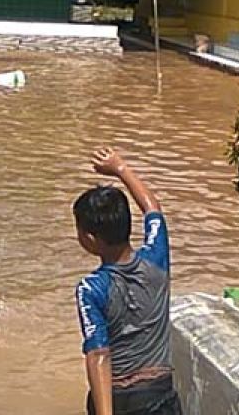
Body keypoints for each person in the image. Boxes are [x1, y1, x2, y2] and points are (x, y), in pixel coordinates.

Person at [74, 149, 181, 415]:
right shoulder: (157, 257)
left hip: (120, 400)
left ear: (89, 238)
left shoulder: (91, 288)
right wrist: (120, 168)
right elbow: (152, 208)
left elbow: (99, 354)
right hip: (161, 397)